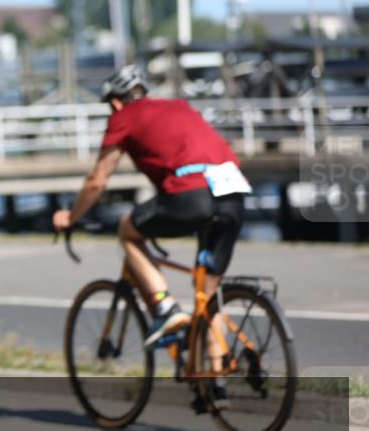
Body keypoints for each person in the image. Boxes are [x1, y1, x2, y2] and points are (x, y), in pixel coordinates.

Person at [52, 65, 251, 356]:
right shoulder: (179, 106)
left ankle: (164, 306)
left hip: (191, 194)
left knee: (128, 231)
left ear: (116, 101)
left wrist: (71, 217)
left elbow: (97, 181)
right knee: (207, 297)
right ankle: (215, 386)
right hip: (232, 193)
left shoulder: (123, 117)